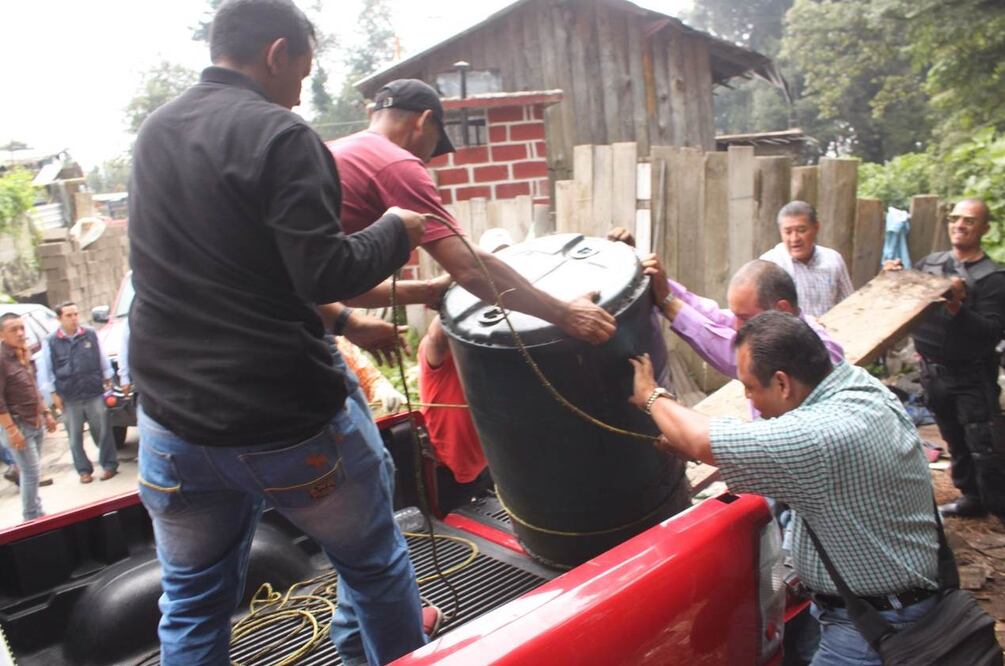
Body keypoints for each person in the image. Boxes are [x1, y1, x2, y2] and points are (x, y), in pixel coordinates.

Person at [127, 1, 436, 663]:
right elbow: (322, 271)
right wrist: (396, 230)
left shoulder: (155, 131)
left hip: (172, 426)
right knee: (375, 566)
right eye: (303, 70)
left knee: (189, 600)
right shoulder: (281, 135)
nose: (301, 92)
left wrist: (352, 322)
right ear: (276, 53)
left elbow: (233, 268)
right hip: (282, 421)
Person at [628, 311, 940, 666]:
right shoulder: (857, 386)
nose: (749, 398)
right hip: (880, 604)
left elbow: (703, 440)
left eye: (749, 387)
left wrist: (652, 396)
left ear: (782, 383)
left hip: (876, 626)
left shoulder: (819, 436)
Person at [329, 79, 616, 347]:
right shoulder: (395, 163)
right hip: (297, 332)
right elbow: (470, 267)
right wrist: (565, 314)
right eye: (435, 144)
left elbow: (334, 282)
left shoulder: (335, 152)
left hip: (295, 316)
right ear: (424, 120)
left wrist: (428, 291)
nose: (428, 159)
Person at [885, 198, 1005, 526]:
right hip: (932, 371)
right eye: (955, 218)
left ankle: (999, 508)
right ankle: (971, 498)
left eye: (969, 220)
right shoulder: (931, 264)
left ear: (984, 228)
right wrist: (892, 278)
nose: (960, 225)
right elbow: (904, 302)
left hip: (972, 375)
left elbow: (991, 332)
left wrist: (957, 307)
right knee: (953, 436)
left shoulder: (993, 278)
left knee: (986, 445)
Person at [36, 301, 118, 483]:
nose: (74, 319)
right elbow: (46, 371)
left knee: (103, 431)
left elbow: (102, 358)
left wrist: (107, 379)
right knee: (74, 436)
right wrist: (53, 395)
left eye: (75, 314)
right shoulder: (51, 341)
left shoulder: (89, 334)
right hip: (69, 395)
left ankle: (109, 465)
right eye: (68, 315)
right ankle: (83, 470)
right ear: (59, 318)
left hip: (93, 391)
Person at [418, 316, 491, 513]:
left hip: (488, 460)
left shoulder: (487, 349)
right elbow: (437, 336)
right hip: (448, 469)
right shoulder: (438, 350)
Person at [0, 313, 57, 521]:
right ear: (1, 335)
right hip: (17, 424)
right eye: (13, 330)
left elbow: (33, 386)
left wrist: (47, 413)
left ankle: (36, 511)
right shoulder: (1, 358)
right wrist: (11, 430)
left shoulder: (23, 353)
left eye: (21, 328)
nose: (20, 333)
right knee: (31, 473)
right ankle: (31, 517)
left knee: (31, 472)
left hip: (35, 420)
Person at [760, 201, 853, 317]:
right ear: (780, 232)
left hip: (830, 332)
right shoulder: (769, 264)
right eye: (788, 232)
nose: (794, 238)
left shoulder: (833, 260)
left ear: (816, 227)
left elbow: (849, 305)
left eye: (801, 230)